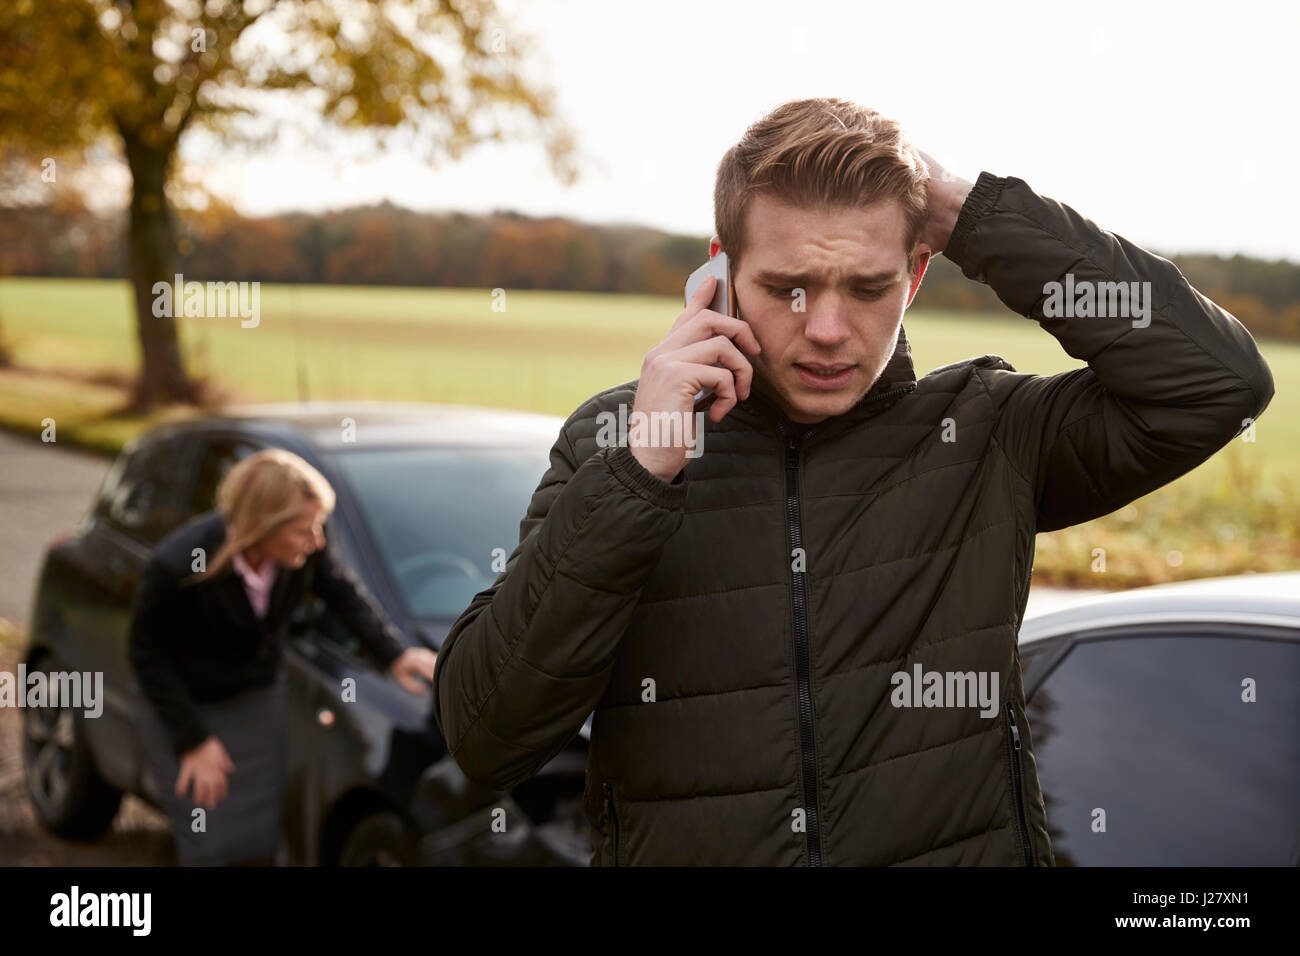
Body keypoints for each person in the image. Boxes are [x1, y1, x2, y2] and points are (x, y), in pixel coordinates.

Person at [431, 98, 1275, 865]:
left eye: (868, 287)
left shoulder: (988, 435)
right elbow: (486, 738)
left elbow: (1217, 386)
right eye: (787, 288)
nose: (828, 331)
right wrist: (643, 471)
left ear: (915, 274)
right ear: (720, 272)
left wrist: (971, 214)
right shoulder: (616, 445)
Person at [128, 448, 438, 866]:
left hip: (254, 699)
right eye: (302, 530)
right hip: (183, 705)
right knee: (211, 839)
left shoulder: (305, 552)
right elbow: (146, 654)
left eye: (318, 527)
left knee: (257, 838)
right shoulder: (177, 565)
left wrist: (395, 655)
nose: (318, 542)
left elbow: (344, 595)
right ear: (261, 526)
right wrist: (193, 741)